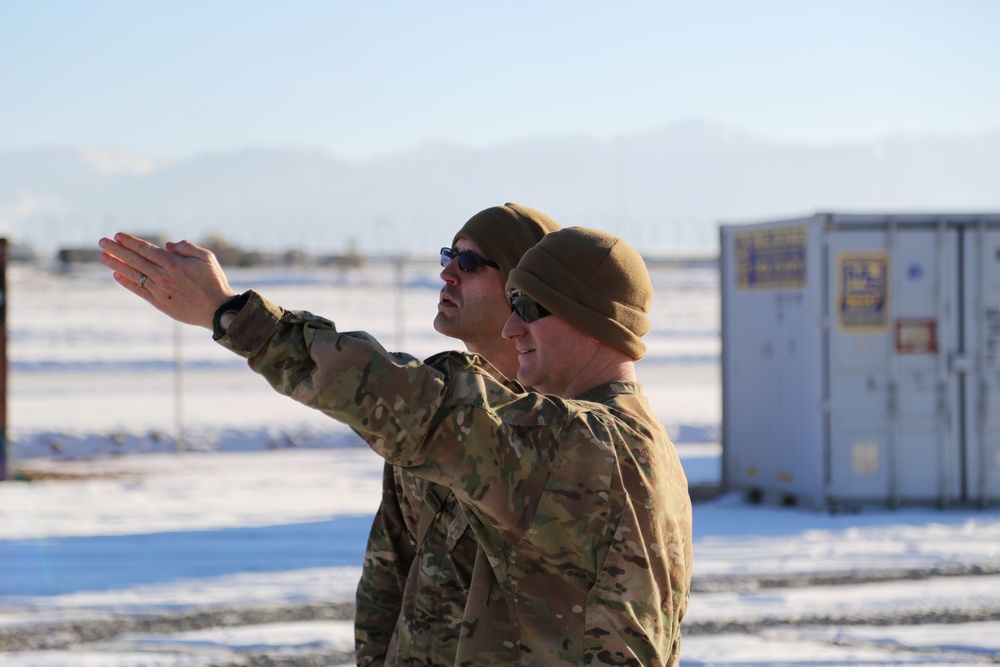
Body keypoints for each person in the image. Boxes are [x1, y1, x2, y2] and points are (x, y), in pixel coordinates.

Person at [98, 225, 694, 665]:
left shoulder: (588, 447)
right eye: (511, 307)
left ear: (596, 322)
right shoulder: (619, 443)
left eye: (530, 309)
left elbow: (417, 405)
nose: (513, 329)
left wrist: (235, 315)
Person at [356, 203, 561, 665]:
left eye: (469, 263)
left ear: (521, 286)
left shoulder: (560, 432)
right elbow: (388, 564)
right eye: (449, 255)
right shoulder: (436, 411)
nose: (448, 273)